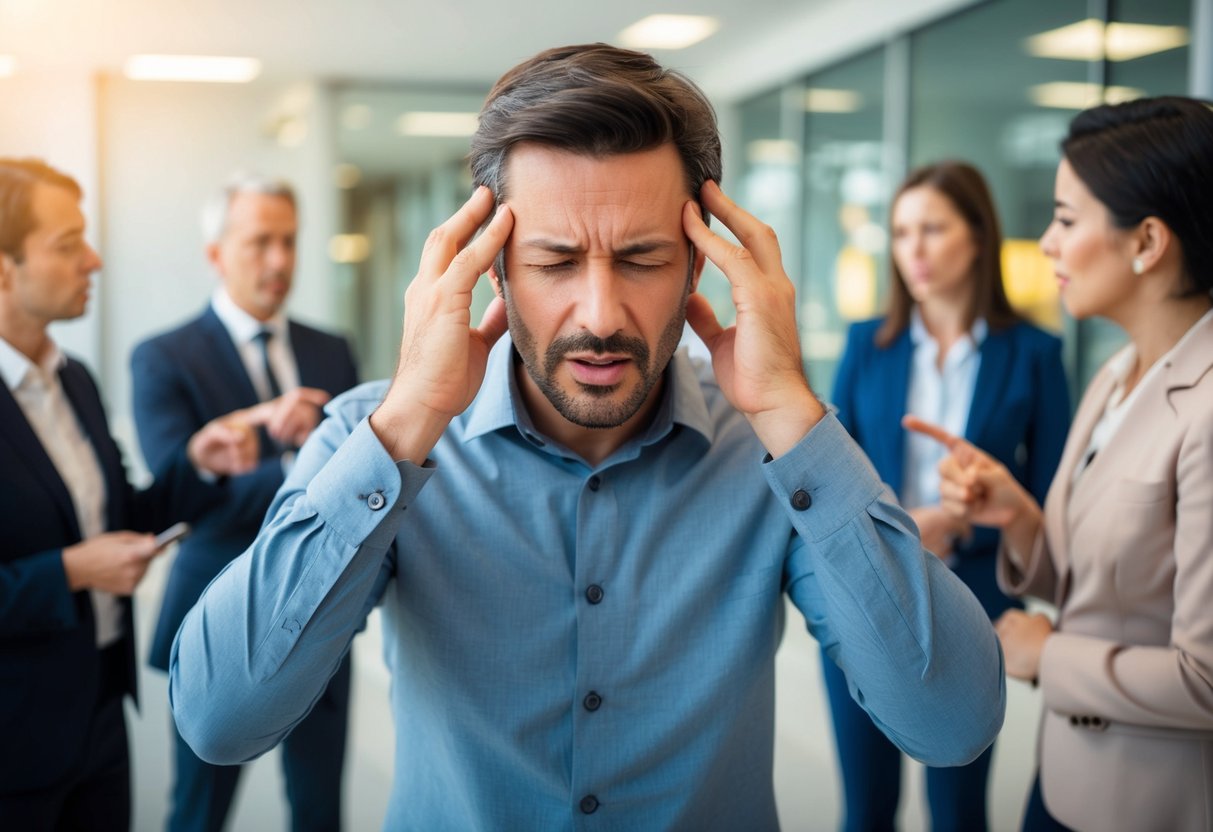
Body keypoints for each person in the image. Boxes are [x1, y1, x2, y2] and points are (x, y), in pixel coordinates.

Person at [170, 44, 1006, 830]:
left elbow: (951, 722)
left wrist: (788, 407)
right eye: (556, 261)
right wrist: (411, 420)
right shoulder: (375, 435)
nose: (601, 317)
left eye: (641, 259)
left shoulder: (775, 448)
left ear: (697, 264)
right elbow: (218, 718)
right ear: (490, 267)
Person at [907, 96, 1213, 832]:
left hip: (1152, 803)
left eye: (1066, 220)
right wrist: (1015, 514)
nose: (1044, 243)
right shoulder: (1117, 375)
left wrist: (1050, 656)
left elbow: (1204, 679)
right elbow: (1103, 584)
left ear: (1145, 241)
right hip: (1069, 777)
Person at [0, 158, 257, 830]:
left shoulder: (74, 380)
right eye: (66, 247)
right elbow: (82, 555)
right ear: (4, 269)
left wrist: (197, 462)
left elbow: (126, 517)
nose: (92, 261)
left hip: (97, 714)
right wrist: (72, 571)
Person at [822, 161, 1070, 831]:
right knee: (865, 808)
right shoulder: (865, 345)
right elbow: (831, 473)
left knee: (958, 810)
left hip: (976, 602)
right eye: (901, 233)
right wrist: (906, 525)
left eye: (932, 229)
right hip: (868, 595)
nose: (914, 251)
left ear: (977, 236)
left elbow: (1049, 501)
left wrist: (963, 523)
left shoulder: (1033, 354)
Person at [131, 173, 359, 832]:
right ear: (216, 254)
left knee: (320, 812)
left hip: (323, 610)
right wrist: (288, 455)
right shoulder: (164, 357)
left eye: (289, 241)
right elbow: (182, 491)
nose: (280, 261)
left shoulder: (330, 349)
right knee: (199, 813)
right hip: (216, 618)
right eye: (260, 242)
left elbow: (370, 470)